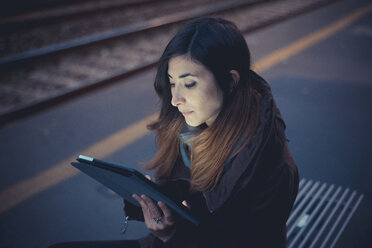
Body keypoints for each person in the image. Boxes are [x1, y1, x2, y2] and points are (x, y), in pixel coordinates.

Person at [50, 16, 299, 248]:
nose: (175, 100)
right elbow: (192, 202)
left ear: (230, 82)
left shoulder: (273, 171)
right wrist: (153, 198)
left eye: (189, 83)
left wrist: (170, 236)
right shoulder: (191, 129)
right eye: (172, 83)